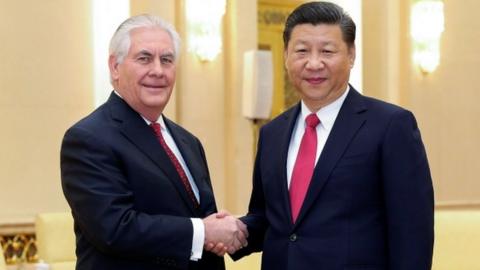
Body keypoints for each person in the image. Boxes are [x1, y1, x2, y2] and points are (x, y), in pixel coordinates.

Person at [230, 2, 434, 269]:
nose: (314, 63)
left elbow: (412, 233)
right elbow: (269, 217)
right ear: (286, 56)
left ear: (351, 55)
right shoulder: (272, 133)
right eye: (302, 51)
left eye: (327, 51)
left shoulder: (391, 126)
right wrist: (229, 230)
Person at [60, 14, 247, 270]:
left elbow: (204, 221)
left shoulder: (188, 142)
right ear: (115, 67)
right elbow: (115, 229)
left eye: (167, 60)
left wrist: (221, 230)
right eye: (144, 58)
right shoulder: (88, 138)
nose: (157, 70)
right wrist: (203, 231)